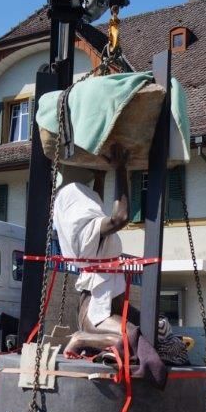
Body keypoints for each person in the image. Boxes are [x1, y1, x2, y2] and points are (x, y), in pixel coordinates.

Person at [53, 144, 141, 357]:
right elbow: (120, 217)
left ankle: (89, 339)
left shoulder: (89, 234)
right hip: (95, 315)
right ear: (77, 206)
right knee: (131, 337)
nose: (89, 202)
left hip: (103, 308)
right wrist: (120, 168)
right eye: (86, 199)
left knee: (156, 328)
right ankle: (80, 338)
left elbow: (98, 208)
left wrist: (100, 176)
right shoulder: (85, 235)